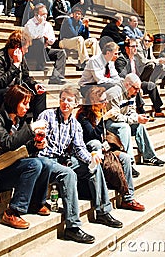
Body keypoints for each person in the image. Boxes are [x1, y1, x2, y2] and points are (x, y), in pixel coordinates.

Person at [38, 85, 123, 243]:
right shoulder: (47, 115)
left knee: (93, 167)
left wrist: (91, 159)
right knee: (69, 174)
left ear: (75, 103)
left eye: (69, 100)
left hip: (64, 160)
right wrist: (39, 137)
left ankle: (103, 211)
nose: (65, 103)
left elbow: (80, 149)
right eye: (63, 99)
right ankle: (73, 227)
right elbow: (36, 135)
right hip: (45, 159)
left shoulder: (75, 125)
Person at [0, 85, 51, 229]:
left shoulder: (20, 121)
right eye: (24, 103)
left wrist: (36, 145)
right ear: (13, 102)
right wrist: (31, 128)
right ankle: (12, 212)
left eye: (28, 103)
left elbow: (24, 147)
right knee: (35, 164)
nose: (27, 107)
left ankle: (36, 203)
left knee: (46, 163)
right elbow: (8, 143)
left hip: (14, 165)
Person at [76, 86, 145, 209]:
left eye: (105, 100)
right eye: (102, 101)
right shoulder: (83, 115)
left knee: (125, 158)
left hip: (103, 148)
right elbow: (92, 136)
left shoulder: (100, 111)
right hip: (89, 150)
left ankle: (128, 198)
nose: (105, 103)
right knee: (95, 144)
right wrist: (104, 119)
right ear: (94, 101)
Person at [0, 30, 47, 126]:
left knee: (39, 93)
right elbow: (0, 83)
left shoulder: (22, 58)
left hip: (13, 90)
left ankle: (39, 124)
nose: (27, 51)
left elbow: (26, 77)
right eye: (26, 48)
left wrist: (35, 85)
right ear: (17, 47)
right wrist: (15, 65)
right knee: (13, 93)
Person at [105, 74, 165, 167]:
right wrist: (135, 118)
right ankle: (129, 162)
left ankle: (149, 156)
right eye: (136, 88)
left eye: (138, 89)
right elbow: (115, 117)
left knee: (139, 126)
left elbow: (131, 110)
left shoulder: (132, 92)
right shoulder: (114, 93)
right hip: (109, 122)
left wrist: (138, 117)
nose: (137, 92)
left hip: (123, 119)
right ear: (127, 85)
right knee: (124, 127)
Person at [115, 38, 165, 118]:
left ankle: (158, 110)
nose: (135, 48)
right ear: (126, 48)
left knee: (151, 85)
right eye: (133, 46)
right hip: (127, 84)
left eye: (136, 46)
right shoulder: (121, 60)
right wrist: (137, 84)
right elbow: (124, 76)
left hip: (137, 81)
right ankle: (142, 112)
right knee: (134, 87)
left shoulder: (135, 59)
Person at [24, 3, 67, 84]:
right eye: (43, 14)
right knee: (40, 40)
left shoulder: (47, 25)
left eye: (46, 14)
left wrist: (47, 39)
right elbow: (33, 36)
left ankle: (56, 77)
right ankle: (41, 64)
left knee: (61, 53)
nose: (45, 16)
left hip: (44, 49)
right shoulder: (30, 23)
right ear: (36, 14)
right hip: (31, 49)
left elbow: (52, 40)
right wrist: (41, 28)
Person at [59, 4, 100, 71]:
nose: (77, 15)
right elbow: (74, 34)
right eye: (76, 13)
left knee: (93, 40)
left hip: (75, 42)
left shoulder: (80, 23)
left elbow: (86, 37)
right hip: (64, 41)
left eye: (79, 14)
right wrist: (82, 26)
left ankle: (97, 61)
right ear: (73, 14)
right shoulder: (68, 20)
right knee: (80, 39)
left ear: (81, 16)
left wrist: (86, 27)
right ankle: (85, 62)